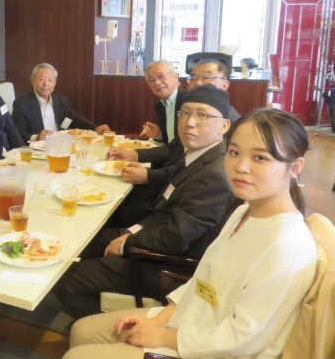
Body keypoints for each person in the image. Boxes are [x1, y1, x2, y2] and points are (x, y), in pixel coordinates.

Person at [64, 108, 317, 359]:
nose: (241, 166)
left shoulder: (286, 244)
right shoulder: (244, 212)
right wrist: (160, 320)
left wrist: (164, 337)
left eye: (260, 158)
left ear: (295, 167)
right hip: (191, 318)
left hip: (210, 349)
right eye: (234, 152)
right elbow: (203, 277)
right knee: (81, 330)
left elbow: (244, 339)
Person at [55, 85, 238, 319]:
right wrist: (132, 231)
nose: (190, 122)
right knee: (84, 242)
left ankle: (109, 327)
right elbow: (169, 211)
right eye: (185, 113)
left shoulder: (215, 174)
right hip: (155, 235)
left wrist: (126, 243)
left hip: (167, 267)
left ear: (224, 125)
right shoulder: (199, 153)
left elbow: (177, 237)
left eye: (202, 115)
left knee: (64, 280)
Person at [108, 59, 242, 227]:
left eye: (206, 77)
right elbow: (176, 148)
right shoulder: (180, 106)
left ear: (225, 84)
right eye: (194, 78)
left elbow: (184, 225)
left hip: (174, 208)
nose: (198, 83)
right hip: (169, 193)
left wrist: (132, 234)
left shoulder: (231, 127)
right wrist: (140, 152)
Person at [12, 63, 110, 141]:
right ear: (32, 80)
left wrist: (95, 128)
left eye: (50, 80)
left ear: (55, 82)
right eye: (41, 79)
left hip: (61, 145)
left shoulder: (61, 100)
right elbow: (18, 134)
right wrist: (37, 137)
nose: (46, 84)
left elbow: (73, 119)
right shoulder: (21, 104)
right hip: (37, 149)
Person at [140, 60, 186, 145]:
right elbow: (170, 141)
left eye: (161, 76)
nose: (157, 83)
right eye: (152, 80)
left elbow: (183, 145)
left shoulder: (188, 101)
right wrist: (159, 135)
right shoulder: (160, 106)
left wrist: (137, 152)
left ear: (175, 76)